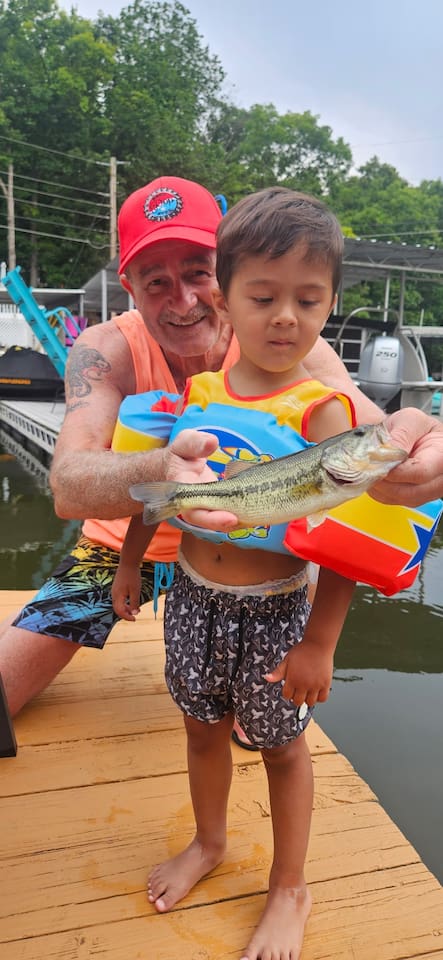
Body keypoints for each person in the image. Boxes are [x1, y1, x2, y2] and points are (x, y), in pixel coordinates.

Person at [1, 175, 443, 722]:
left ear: (225, 281)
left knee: (262, 726)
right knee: (5, 685)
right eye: (155, 280)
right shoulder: (104, 347)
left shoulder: (284, 335)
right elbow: (67, 484)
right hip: (123, 545)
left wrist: (423, 433)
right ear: (129, 286)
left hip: (254, 555)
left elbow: (372, 432)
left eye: (197, 272)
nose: (183, 300)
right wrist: (171, 471)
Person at [109, 186, 402, 960]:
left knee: (280, 748)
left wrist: (320, 642)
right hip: (194, 601)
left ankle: (288, 886)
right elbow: (165, 499)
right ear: (226, 301)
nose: (284, 317)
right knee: (201, 730)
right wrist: (131, 567)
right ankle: (208, 843)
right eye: (263, 296)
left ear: (329, 304)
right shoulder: (199, 393)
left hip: (276, 612)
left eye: (307, 300)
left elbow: (343, 536)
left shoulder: (325, 414)